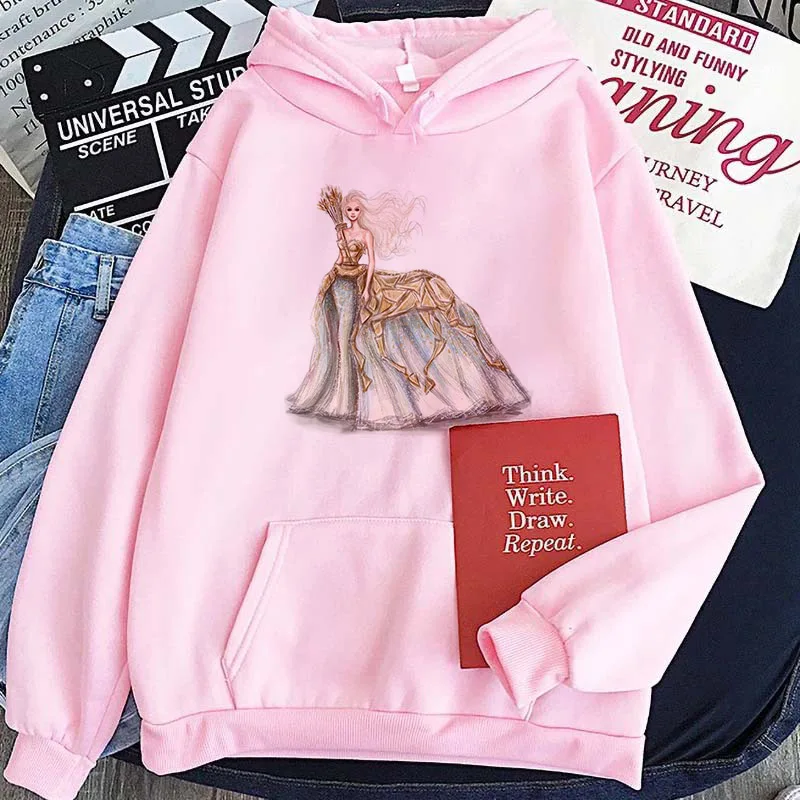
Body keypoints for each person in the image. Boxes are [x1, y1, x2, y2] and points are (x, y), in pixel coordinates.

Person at [287, 186, 530, 430]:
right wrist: (331, 277)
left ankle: (356, 402)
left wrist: (368, 288)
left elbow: (372, 262)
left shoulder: (365, 234)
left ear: (361, 211)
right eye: (348, 209)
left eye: (356, 209)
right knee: (341, 341)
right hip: (340, 286)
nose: (352, 213)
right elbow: (341, 260)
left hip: (356, 286)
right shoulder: (342, 232)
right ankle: (342, 401)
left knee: (351, 339)